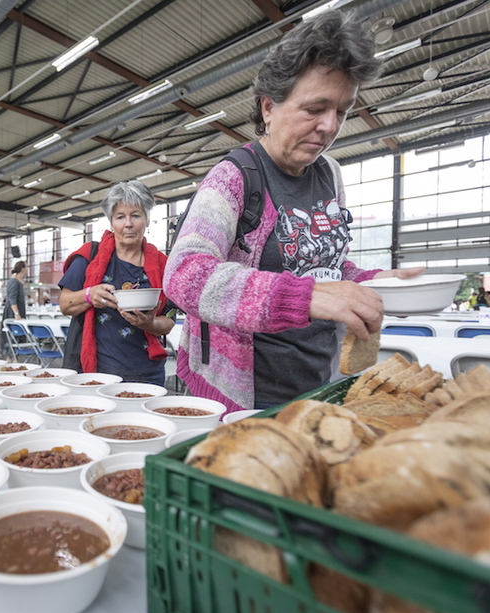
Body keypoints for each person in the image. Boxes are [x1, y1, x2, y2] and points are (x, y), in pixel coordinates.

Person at [163, 11, 423, 411]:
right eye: (314, 109)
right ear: (269, 106)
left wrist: (375, 281)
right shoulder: (233, 178)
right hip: (242, 392)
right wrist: (306, 297)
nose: (329, 126)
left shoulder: (329, 174)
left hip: (314, 377)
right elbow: (184, 275)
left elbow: (322, 266)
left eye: (343, 110)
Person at [59, 180, 174, 385]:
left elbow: (169, 321)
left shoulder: (164, 265)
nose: (128, 223)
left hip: (148, 373)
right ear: (111, 223)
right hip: (98, 372)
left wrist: (150, 323)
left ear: (147, 220)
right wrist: (89, 295)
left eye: (136, 215)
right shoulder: (89, 255)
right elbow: (65, 304)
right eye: (120, 217)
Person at [2, 261, 28, 360]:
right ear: (22, 268)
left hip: (18, 310)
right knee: (12, 334)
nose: (27, 269)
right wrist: (16, 313)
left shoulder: (19, 282)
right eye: (26, 267)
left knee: (17, 336)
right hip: (12, 312)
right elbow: (12, 298)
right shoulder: (14, 281)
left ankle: (15, 359)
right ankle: (9, 359)